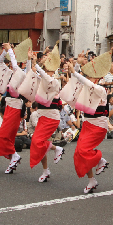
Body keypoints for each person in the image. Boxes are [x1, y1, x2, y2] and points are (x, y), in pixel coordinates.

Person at [65, 50, 111, 193]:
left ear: (97, 78)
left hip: (98, 126)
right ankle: (91, 180)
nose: (89, 78)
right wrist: (77, 65)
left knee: (84, 150)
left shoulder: (101, 90)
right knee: (79, 153)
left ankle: (100, 160)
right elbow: (78, 81)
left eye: (91, 76)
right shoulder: (87, 86)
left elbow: (84, 81)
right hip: (87, 124)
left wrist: (76, 72)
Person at [0, 39, 32, 174]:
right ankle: (13, 158)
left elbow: (23, 70)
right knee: (4, 136)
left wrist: (11, 50)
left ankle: (14, 156)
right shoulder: (11, 72)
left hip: (16, 106)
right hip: (9, 105)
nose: (12, 63)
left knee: (4, 135)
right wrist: (4, 52)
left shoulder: (20, 73)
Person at [30, 46, 64, 182]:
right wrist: (31, 62)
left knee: (37, 141)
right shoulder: (42, 79)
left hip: (51, 117)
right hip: (42, 115)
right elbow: (32, 76)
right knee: (39, 142)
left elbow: (46, 78)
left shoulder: (55, 81)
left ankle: (56, 149)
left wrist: (37, 66)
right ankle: (45, 169)